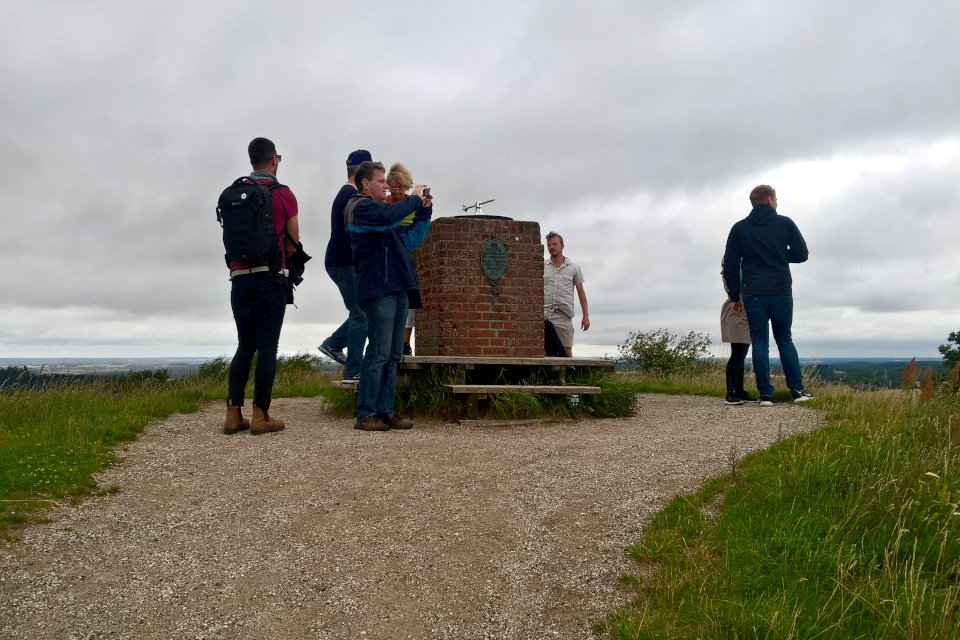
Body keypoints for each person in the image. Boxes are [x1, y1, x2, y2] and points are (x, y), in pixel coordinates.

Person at [345, 161, 433, 431]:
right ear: (365, 184)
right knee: (378, 352)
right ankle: (366, 413)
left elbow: (410, 241)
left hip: (398, 288)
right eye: (381, 181)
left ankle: (385, 411)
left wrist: (424, 213)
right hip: (378, 288)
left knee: (394, 353)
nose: (386, 186)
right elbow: (386, 218)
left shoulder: (384, 216)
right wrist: (415, 200)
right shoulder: (359, 208)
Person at [223, 137, 299, 435]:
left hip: (239, 278)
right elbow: (292, 244)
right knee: (267, 346)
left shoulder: (235, 192)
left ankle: (232, 414)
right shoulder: (283, 194)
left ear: (251, 160)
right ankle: (260, 415)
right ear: (273, 160)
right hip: (270, 278)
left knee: (245, 344)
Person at [722, 185, 811, 406]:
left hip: (752, 293)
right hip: (781, 291)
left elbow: (731, 265)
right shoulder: (785, 223)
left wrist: (735, 297)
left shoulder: (739, 229)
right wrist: (779, 254)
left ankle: (765, 396)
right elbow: (802, 254)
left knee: (760, 343)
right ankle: (798, 391)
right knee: (784, 339)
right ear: (770, 200)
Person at [318, 150, 371, 380]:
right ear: (364, 172)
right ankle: (353, 370)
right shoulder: (351, 196)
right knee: (361, 314)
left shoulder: (346, 193)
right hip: (343, 262)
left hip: (340, 261)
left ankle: (334, 344)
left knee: (362, 312)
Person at [386, 162, 418, 356]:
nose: (397, 191)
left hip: (408, 260)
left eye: (401, 187)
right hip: (387, 261)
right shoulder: (382, 204)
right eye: (393, 186)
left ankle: (405, 343)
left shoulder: (413, 205)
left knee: (409, 305)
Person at [543, 231, 589, 357]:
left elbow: (581, 292)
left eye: (554, 244)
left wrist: (585, 316)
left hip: (564, 315)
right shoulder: (542, 267)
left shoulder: (573, 268)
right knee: (543, 350)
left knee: (567, 351)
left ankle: (569, 376)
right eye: (549, 245)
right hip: (545, 315)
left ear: (562, 246)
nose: (552, 247)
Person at [720, 260, 758, 405]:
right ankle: (731, 393)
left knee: (741, 352)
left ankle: (739, 390)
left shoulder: (741, 264)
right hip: (737, 310)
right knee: (738, 352)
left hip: (744, 309)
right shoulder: (732, 266)